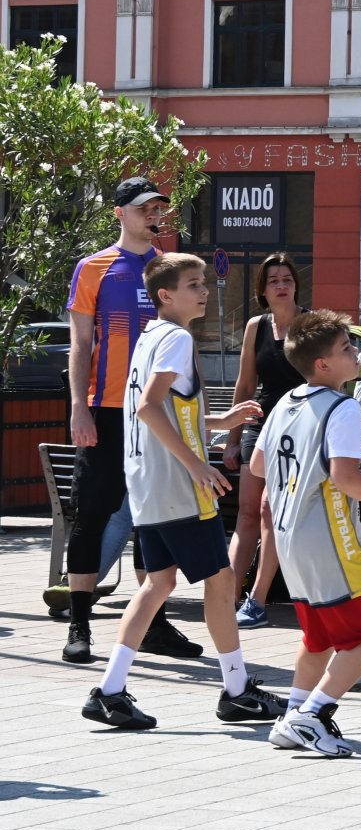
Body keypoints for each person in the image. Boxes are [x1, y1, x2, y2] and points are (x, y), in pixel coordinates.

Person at [82, 253, 279, 729]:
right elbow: (149, 408)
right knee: (220, 580)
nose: (204, 291)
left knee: (159, 583)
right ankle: (236, 691)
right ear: (166, 295)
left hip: (149, 481)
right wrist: (195, 465)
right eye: (193, 284)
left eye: (203, 282)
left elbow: (162, 411)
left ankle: (109, 690)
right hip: (176, 483)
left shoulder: (150, 336)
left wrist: (219, 420)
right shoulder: (176, 338)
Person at [60, 176, 202, 665]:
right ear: (120, 212)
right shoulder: (94, 267)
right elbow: (81, 344)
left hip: (158, 413)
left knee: (153, 519)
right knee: (92, 515)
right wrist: (79, 406)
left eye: (158, 208)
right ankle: (79, 626)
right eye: (144, 208)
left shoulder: (169, 269)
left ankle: (154, 627)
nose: (153, 215)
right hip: (106, 409)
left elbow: (182, 343)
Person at [255, 310, 361, 757]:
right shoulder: (341, 407)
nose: (355, 352)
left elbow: (259, 465)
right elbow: (344, 477)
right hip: (329, 539)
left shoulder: (287, 401)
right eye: (345, 348)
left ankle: (292, 716)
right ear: (322, 365)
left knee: (318, 637)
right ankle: (314, 713)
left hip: (289, 539)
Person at [226, 252, 306, 629]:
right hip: (260, 425)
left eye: (286, 279)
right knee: (247, 512)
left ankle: (257, 599)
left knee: (269, 511)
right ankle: (226, 595)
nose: (281, 285)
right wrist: (232, 438)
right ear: (263, 289)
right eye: (273, 280)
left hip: (299, 427)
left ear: (295, 285)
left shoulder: (310, 324)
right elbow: (245, 384)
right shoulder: (256, 326)